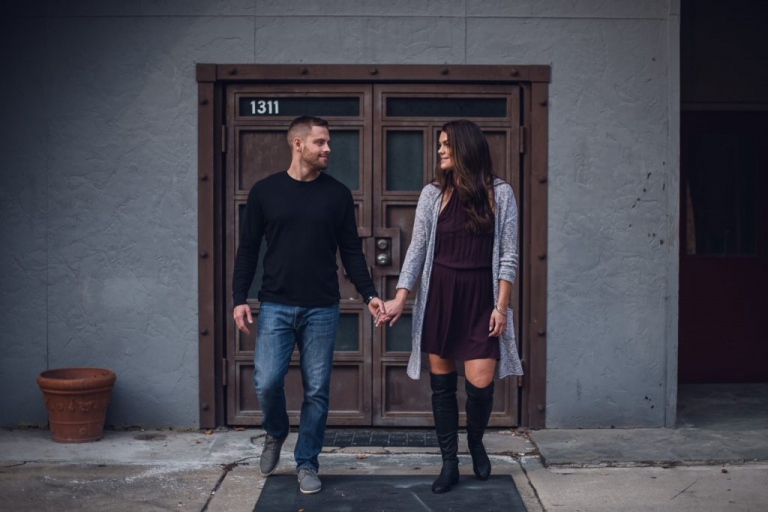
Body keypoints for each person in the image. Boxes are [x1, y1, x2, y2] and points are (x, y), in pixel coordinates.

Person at [232, 116, 387, 495]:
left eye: (328, 143)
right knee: (267, 382)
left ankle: (307, 462)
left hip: (322, 307)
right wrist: (239, 298)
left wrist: (369, 294)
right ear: (298, 144)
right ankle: (276, 432)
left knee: (316, 390)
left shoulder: (336, 195)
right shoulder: (264, 192)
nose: (328, 149)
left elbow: (351, 250)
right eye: (320, 142)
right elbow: (248, 250)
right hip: (276, 306)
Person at [382, 119, 523, 494]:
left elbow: (509, 254)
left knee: (480, 385)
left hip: (481, 300)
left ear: (465, 149)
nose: (440, 150)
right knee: (442, 388)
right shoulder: (432, 194)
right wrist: (401, 296)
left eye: (446, 144)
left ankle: (475, 441)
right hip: (440, 298)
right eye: (439, 145)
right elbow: (417, 250)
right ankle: (449, 462)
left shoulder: (500, 193)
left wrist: (501, 306)